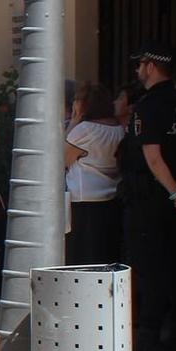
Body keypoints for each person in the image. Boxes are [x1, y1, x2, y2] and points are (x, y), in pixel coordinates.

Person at [118, 45, 176, 351]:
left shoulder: (148, 106)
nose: (137, 71)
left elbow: (152, 157)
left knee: (149, 269)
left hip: (151, 199)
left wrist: (173, 192)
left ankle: (148, 341)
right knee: (175, 265)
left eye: (140, 65)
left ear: (151, 66)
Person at [64, 83, 125, 266]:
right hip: (111, 198)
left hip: (84, 201)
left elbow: (60, 160)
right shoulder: (118, 128)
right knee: (105, 255)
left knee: (83, 258)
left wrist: (74, 122)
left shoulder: (85, 130)